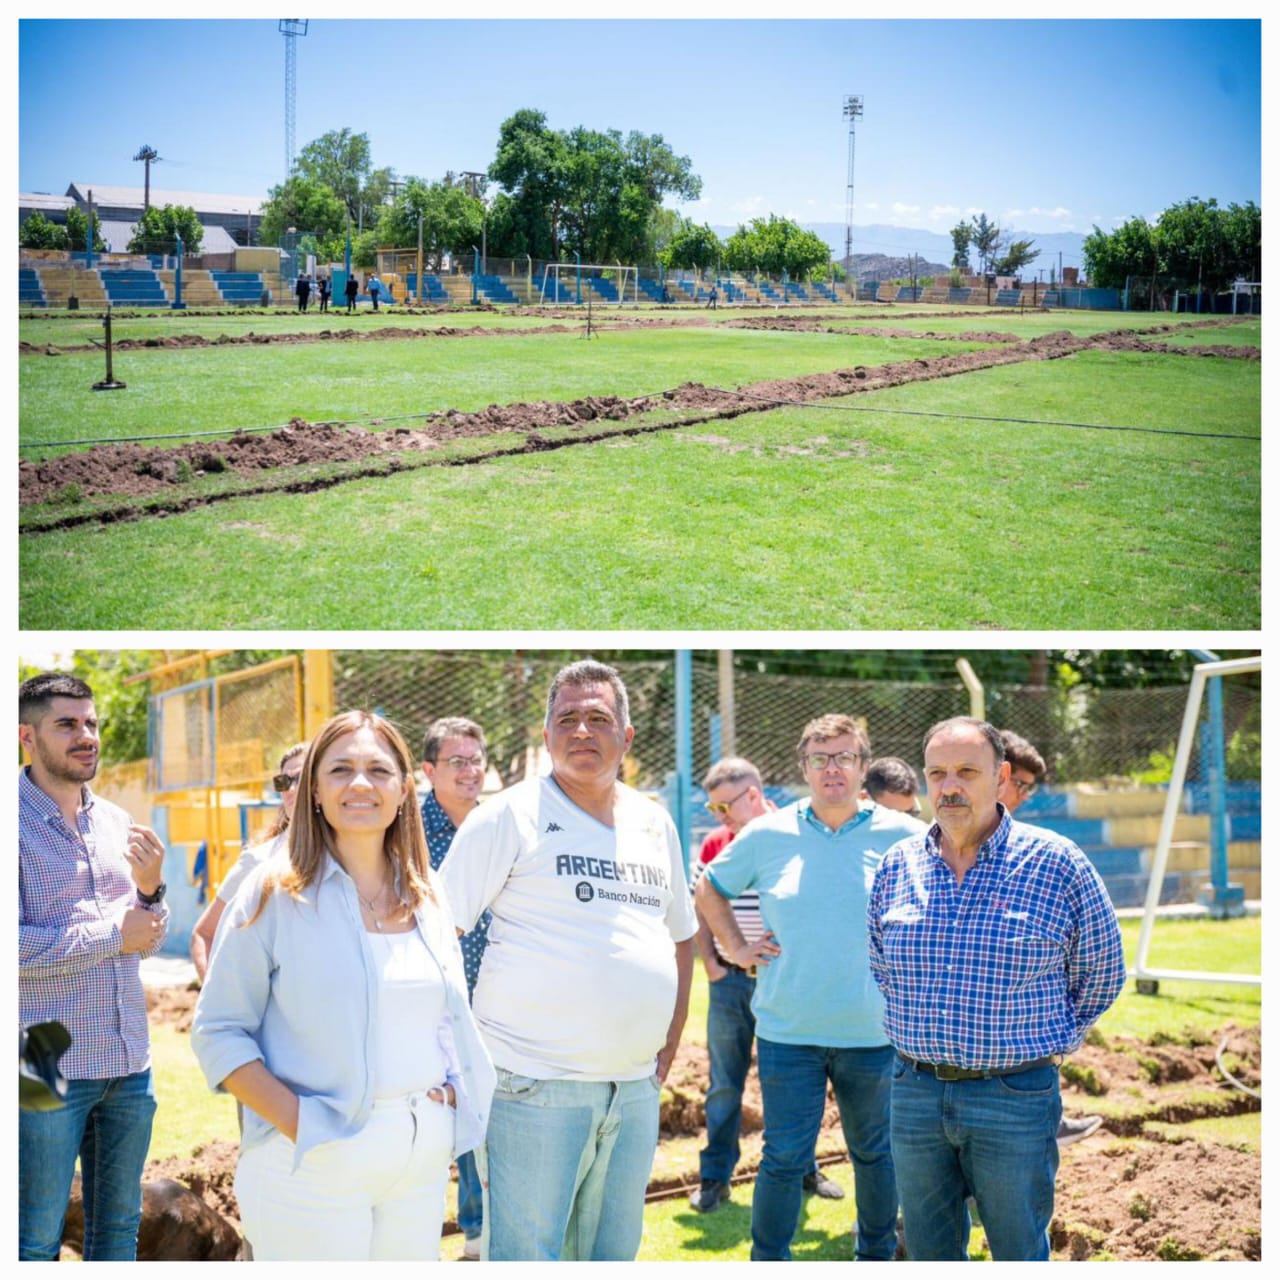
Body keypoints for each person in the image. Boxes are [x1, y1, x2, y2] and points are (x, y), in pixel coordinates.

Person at [191, 711, 495, 1261]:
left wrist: (450, 1097)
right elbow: (218, 1031)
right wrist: (303, 1123)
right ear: (313, 790)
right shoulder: (271, 892)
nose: (360, 783)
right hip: (310, 1167)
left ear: (404, 790)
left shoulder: (428, 895)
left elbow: (444, 1014)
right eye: (340, 770)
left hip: (418, 1165)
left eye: (378, 770)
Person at [440, 660, 696, 1261]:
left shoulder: (654, 821)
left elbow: (680, 933)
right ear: (547, 735)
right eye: (568, 719)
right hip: (533, 1087)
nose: (582, 731)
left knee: (612, 1255)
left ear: (626, 737)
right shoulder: (506, 816)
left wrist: (673, 1030)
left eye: (599, 718)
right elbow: (437, 935)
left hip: (632, 1090)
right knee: (529, 1256)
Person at [868, 716, 1126, 1262]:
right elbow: (882, 965)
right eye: (937, 773)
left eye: (966, 771)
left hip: (1014, 1096)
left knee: (1017, 1250)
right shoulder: (898, 866)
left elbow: (1102, 973)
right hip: (915, 1092)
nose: (950, 786)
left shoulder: (1056, 863)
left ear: (1001, 775)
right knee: (930, 1253)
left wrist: (1050, 1039)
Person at [696, 715, 925, 1261]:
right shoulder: (768, 835)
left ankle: (874, 1257)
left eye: (845, 757)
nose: (832, 770)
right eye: (820, 759)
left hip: (872, 1033)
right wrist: (734, 946)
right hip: (788, 1032)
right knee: (783, 1156)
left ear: (863, 767)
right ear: (803, 768)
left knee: (874, 1156)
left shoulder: (906, 835)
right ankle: (769, 1261)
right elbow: (709, 888)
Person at [19, 673, 170, 1261]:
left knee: (118, 1232)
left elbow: (145, 941)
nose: (86, 736)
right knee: (33, 1236)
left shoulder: (115, 822)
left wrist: (152, 892)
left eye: (91, 724)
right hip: (43, 1054)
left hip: (129, 1061)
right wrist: (116, 932)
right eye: (67, 724)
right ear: (26, 736)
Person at [688, 757, 843, 1215]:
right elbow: (701, 903)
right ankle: (715, 1178)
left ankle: (804, 1170)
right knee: (723, 1086)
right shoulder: (718, 843)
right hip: (732, 985)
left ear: (753, 795)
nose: (719, 817)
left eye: (725, 806)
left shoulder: (797, 835)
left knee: (795, 1082)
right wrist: (715, 964)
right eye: (713, 807)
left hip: (786, 982)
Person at [996, 729, 1105, 1150]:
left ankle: (1050, 1118)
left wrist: (1065, 1032)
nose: (1023, 795)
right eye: (1018, 783)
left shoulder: (1036, 849)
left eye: (1028, 787)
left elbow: (1100, 964)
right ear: (997, 773)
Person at [420, 716, 491, 1261]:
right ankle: (462, 1236)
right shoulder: (410, 830)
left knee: (493, 1114)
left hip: (503, 996)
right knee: (441, 1113)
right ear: (428, 771)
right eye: (457, 762)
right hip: (433, 1001)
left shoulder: (499, 823)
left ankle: (486, 1235)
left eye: (476, 760)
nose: (471, 771)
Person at [189, 743, 307, 982]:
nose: (292, 789)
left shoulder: (356, 855)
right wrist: (221, 1007)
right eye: (283, 782)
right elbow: (204, 934)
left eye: (302, 778)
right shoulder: (259, 860)